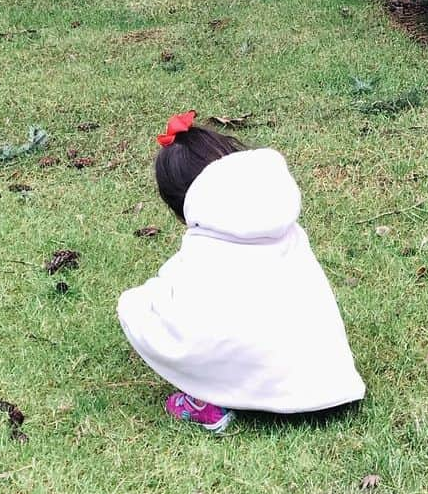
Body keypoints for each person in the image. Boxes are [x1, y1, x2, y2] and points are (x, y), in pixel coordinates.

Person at [118, 111, 365, 433]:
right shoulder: (284, 223)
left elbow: (183, 313)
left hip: (257, 382)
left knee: (137, 306)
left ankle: (206, 400)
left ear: (182, 204)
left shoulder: (205, 245)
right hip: (329, 383)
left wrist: (143, 302)